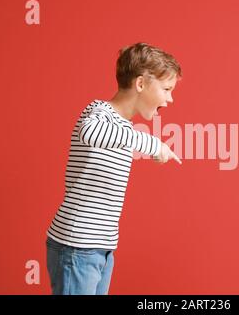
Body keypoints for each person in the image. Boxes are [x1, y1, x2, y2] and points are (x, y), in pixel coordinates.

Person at [45, 43, 182, 295]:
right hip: (77, 245)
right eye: (166, 89)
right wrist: (153, 144)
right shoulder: (99, 113)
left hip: (101, 248)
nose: (170, 99)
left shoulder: (124, 129)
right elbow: (90, 131)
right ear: (140, 84)